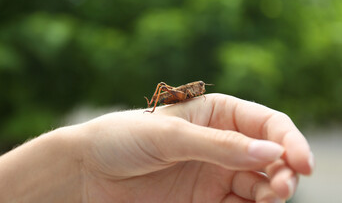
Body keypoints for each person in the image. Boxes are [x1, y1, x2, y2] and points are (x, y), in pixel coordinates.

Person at [0, 93, 314, 203]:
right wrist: (83, 167)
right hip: (167, 98)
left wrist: (83, 169)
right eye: (200, 90)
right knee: (165, 86)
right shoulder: (188, 95)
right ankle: (153, 104)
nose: (200, 92)